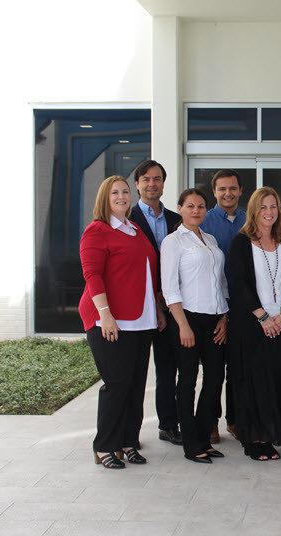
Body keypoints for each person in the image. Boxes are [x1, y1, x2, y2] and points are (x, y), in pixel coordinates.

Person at [79, 175, 165, 469]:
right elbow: (93, 275)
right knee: (116, 384)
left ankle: (128, 441)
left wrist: (157, 311)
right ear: (104, 197)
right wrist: (105, 315)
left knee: (135, 385)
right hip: (110, 320)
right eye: (114, 192)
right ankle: (105, 445)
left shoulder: (135, 229)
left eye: (125, 192)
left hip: (141, 321)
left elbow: (146, 273)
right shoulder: (97, 231)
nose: (121, 196)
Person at [228, 186, 281, 461]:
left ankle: (273, 435)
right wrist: (262, 317)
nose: (269, 212)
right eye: (263, 207)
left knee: (277, 381)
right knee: (253, 382)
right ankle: (254, 440)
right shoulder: (241, 242)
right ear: (254, 211)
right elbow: (241, 282)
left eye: (273, 207)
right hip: (251, 326)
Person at [160, 188, 229, 463]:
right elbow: (169, 287)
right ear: (180, 208)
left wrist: (225, 316)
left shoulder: (210, 238)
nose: (197, 211)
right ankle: (191, 443)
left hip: (215, 319)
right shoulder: (173, 241)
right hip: (187, 318)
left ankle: (204, 436)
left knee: (214, 380)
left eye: (201, 206)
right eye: (190, 206)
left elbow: (221, 282)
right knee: (187, 382)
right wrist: (183, 325)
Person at [129, 159, 183, 447]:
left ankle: (168, 425)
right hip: (137, 306)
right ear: (137, 184)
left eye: (157, 179)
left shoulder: (177, 219)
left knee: (167, 370)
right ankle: (129, 433)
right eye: (146, 179)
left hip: (170, 307)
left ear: (164, 183)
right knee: (134, 374)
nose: (152, 184)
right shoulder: (126, 219)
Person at [200, 169, 247, 443]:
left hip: (243, 305)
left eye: (232, 188)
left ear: (240, 191)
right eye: (222, 189)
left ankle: (235, 420)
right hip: (213, 305)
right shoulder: (204, 221)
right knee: (214, 369)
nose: (227, 193)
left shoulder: (248, 219)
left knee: (238, 368)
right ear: (214, 192)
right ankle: (210, 422)